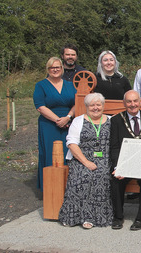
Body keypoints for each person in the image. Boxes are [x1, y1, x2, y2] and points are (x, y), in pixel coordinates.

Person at [59, 93, 112, 229]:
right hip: (81, 158)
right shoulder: (78, 121)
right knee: (82, 176)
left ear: (103, 106)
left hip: (105, 159)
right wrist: (86, 162)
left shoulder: (111, 120)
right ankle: (73, 216)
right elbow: (71, 143)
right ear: (87, 106)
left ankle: (95, 217)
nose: (95, 108)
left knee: (101, 175)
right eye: (92, 105)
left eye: (98, 104)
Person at [109, 90, 141, 230]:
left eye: (135, 101)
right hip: (126, 162)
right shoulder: (116, 120)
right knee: (116, 179)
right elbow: (114, 147)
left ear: (140, 101)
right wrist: (118, 166)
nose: (132, 104)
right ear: (124, 103)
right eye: (129, 101)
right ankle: (118, 216)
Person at [33, 57, 77, 191]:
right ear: (48, 70)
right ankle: (50, 188)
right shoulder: (41, 85)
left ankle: (67, 186)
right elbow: (40, 106)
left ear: (62, 69)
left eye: (58, 67)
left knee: (68, 152)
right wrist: (58, 120)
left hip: (68, 123)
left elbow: (77, 103)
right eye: (52, 68)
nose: (55, 70)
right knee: (49, 154)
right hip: (49, 124)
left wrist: (68, 117)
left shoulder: (70, 85)